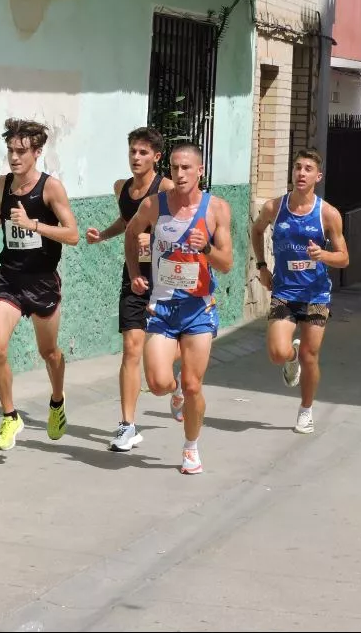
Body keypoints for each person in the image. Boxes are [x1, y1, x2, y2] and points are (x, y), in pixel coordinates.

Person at [124, 141, 234, 475]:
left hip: (198, 309)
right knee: (158, 382)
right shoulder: (154, 205)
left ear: (200, 170)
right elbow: (131, 236)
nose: (180, 173)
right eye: (174, 167)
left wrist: (206, 252)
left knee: (193, 384)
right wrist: (134, 275)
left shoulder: (216, 209)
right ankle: (174, 396)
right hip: (162, 306)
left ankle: (191, 448)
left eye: (187, 167)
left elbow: (226, 262)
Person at [0, 119, 80, 451]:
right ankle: (9, 416)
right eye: (10, 150)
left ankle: (57, 402)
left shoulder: (51, 188)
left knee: (48, 352)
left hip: (43, 281)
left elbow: (73, 234)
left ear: (37, 152)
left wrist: (34, 225)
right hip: (9, 277)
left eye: (21, 152)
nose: (14, 157)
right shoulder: (2, 184)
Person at [85, 127, 176, 452]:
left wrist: (154, 240)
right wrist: (103, 236)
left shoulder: (166, 188)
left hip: (169, 278)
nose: (136, 158)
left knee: (162, 362)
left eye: (142, 152)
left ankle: (174, 385)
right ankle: (127, 425)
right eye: (132, 152)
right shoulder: (121, 188)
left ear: (156, 157)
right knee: (131, 348)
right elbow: (127, 222)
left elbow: (183, 231)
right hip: (135, 275)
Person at [251, 149, 349, 434]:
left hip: (316, 294)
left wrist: (324, 255)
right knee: (277, 353)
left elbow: (343, 258)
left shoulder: (328, 214)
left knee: (311, 355)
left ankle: (305, 410)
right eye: (297, 167)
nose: (301, 173)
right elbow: (257, 231)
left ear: (317, 176)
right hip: (283, 291)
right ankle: (289, 359)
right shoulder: (274, 208)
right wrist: (262, 266)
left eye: (308, 169)